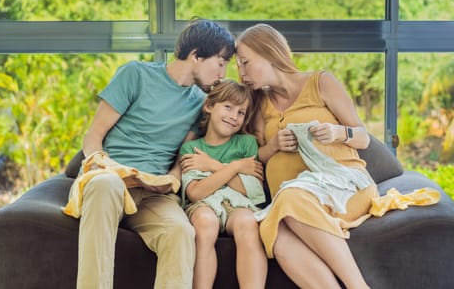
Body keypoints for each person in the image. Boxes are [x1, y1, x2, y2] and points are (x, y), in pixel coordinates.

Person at [68, 18, 235, 289]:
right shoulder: (135, 74)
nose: (223, 72)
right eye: (221, 62)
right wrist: (101, 164)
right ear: (196, 56)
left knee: (181, 232)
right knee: (106, 183)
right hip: (111, 179)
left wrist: (172, 178)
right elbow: (94, 135)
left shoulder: (200, 102)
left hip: (154, 193)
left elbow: (185, 153)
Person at [235, 23, 378, 289]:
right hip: (291, 202)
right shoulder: (257, 104)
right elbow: (257, 159)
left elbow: (364, 137)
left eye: (245, 62)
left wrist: (336, 132)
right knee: (275, 233)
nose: (241, 73)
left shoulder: (320, 82)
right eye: (238, 65)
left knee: (290, 198)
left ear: (268, 53)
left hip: (344, 185)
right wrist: (274, 145)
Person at [179, 80, 267, 289]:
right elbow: (197, 192)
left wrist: (211, 166)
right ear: (209, 106)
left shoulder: (247, 144)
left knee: (247, 222)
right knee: (205, 222)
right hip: (204, 206)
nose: (233, 117)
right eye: (228, 107)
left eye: (241, 112)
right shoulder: (191, 149)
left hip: (239, 205)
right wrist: (236, 168)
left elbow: (252, 192)